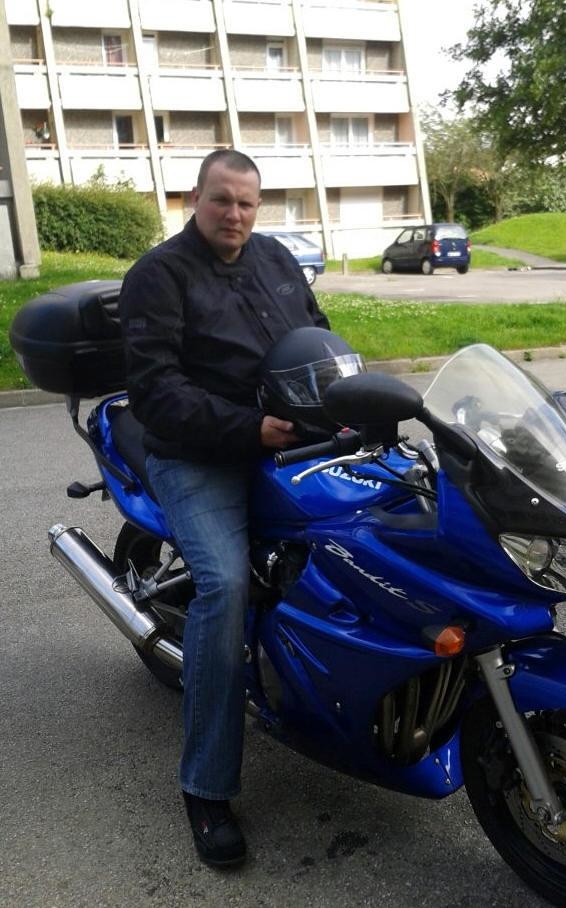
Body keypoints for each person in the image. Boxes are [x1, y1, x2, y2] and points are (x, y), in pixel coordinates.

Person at [118, 149, 329, 867]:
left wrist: (351, 393)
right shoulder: (158, 275)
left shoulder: (275, 258)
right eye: (221, 200)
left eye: (246, 203)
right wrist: (250, 428)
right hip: (196, 453)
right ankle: (205, 786)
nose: (234, 214)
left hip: (290, 436)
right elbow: (155, 391)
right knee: (226, 584)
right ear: (194, 199)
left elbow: (319, 336)